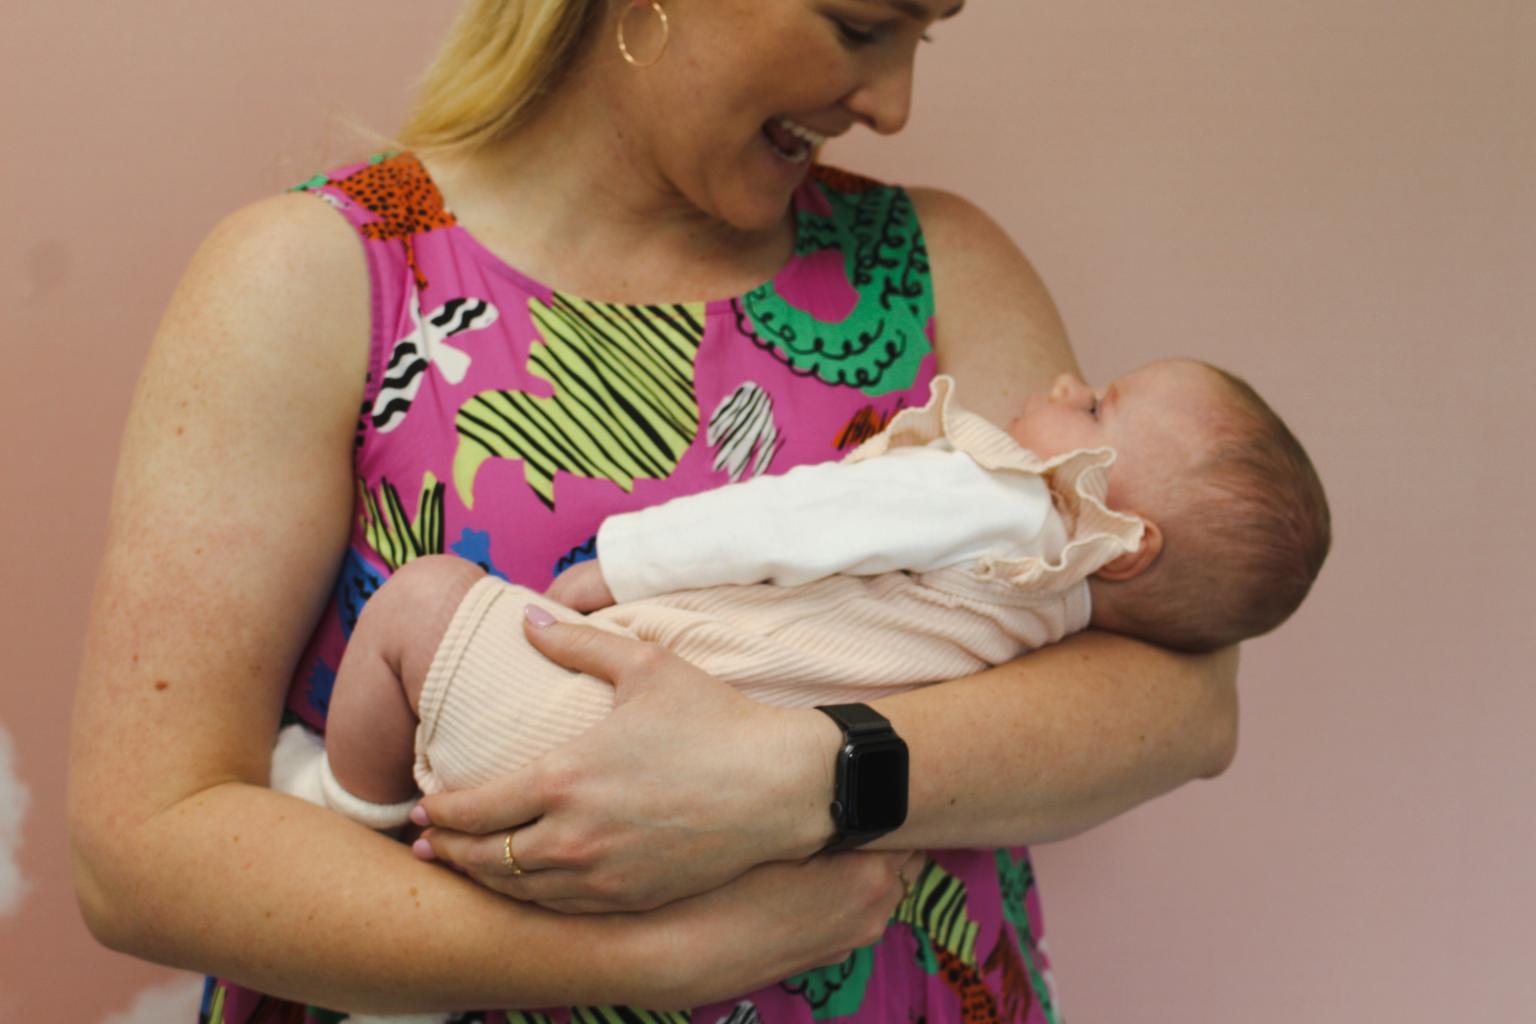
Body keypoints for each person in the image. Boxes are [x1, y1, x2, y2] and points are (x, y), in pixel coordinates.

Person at [68, 2, 1244, 1022]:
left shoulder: (934, 266)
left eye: (923, 35)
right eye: (860, 24)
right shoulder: (321, 273)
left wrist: (799, 776)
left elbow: (1180, 704)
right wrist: (645, 957)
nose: (893, 105)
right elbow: (140, 853)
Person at [281, 362, 1326, 832]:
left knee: (424, 601)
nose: (1061, 385)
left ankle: (346, 810)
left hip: (595, 720)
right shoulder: (1050, 622)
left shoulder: (1004, 503)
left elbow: (801, 522)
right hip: (703, 813)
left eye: (1094, 406)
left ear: (1127, 542)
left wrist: (626, 562)